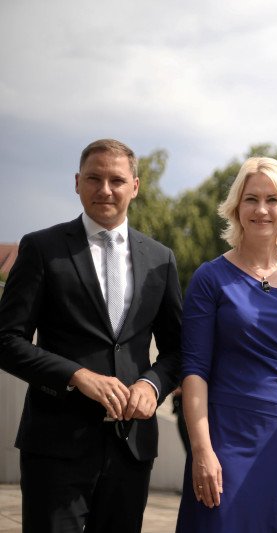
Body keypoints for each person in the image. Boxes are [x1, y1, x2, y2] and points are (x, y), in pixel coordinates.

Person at [0, 139, 183, 532]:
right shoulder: (42, 248)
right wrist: (76, 376)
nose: (105, 189)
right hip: (55, 446)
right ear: (77, 182)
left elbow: (179, 350)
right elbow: (7, 341)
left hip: (131, 447)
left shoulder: (161, 260)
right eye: (94, 178)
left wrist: (152, 386)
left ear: (135, 186)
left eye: (116, 180)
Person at [175, 157, 277, 532]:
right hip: (227, 438)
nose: (261, 210)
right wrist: (202, 450)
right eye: (251, 199)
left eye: (273, 200)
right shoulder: (209, 278)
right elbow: (194, 371)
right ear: (236, 207)